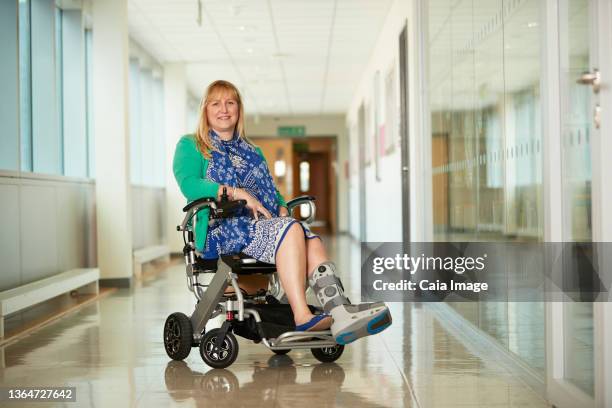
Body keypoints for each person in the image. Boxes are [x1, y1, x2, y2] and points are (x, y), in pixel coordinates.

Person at [173, 80, 391, 344]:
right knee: (292, 229)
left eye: (230, 102)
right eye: (216, 103)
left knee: (310, 238)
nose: (224, 109)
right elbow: (189, 184)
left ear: (239, 109)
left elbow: (271, 192)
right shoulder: (192, 145)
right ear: (205, 110)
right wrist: (235, 192)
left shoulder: (253, 151)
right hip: (221, 230)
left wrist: (282, 206)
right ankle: (301, 315)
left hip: (259, 226)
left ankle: (339, 311)